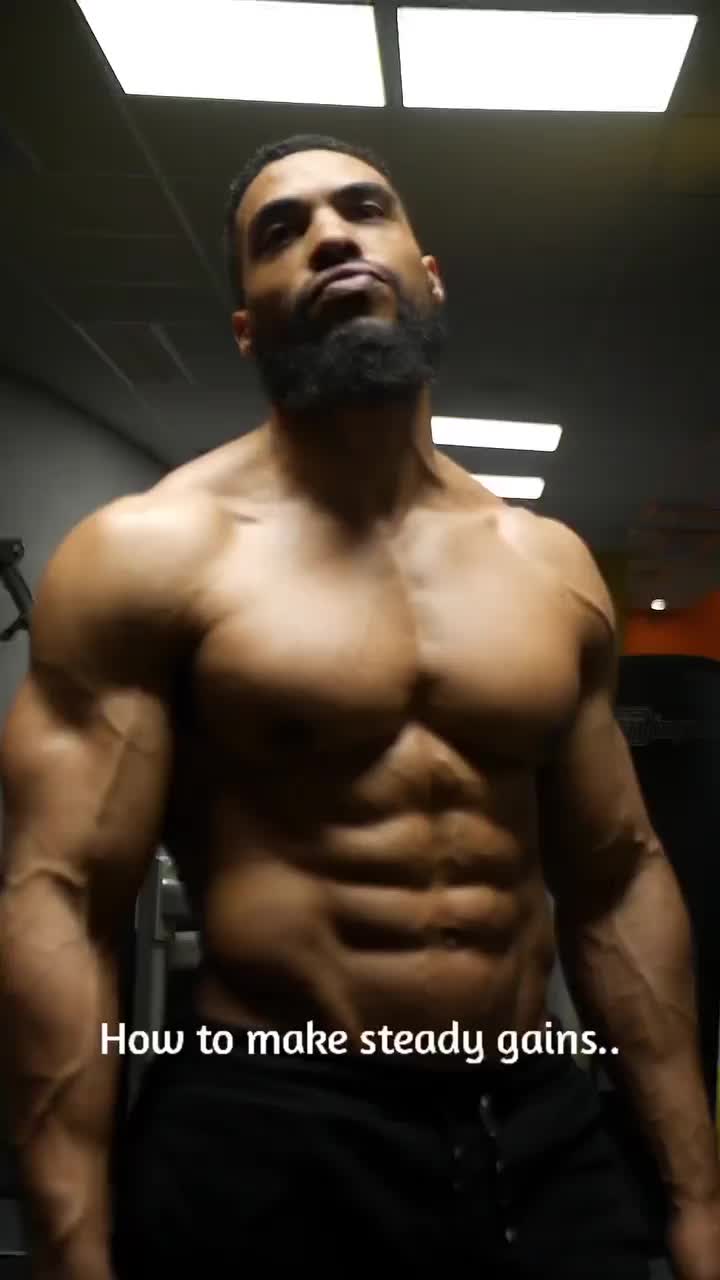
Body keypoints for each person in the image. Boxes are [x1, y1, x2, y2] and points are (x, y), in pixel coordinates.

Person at [0, 132, 718, 1279]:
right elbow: (62, 902)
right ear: (249, 325)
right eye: (281, 231)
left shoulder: (550, 567)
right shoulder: (147, 555)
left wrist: (697, 1197)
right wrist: (69, 1244)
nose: (330, 235)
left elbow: (618, 876)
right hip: (267, 1124)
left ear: (429, 276)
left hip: (536, 1123)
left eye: (363, 207)